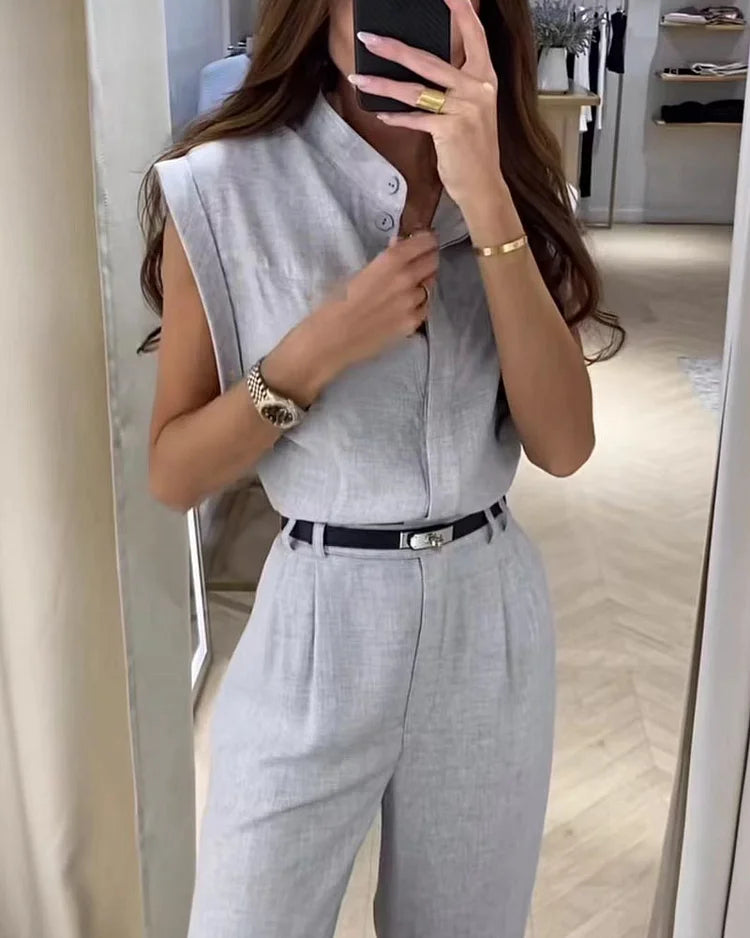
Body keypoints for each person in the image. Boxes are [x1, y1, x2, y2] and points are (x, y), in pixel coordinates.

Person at [140, 1, 621, 935]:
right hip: (319, 616)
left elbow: (564, 447)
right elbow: (174, 473)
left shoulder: (518, 186)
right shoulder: (222, 186)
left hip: (488, 617)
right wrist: (316, 350)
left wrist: (489, 202)